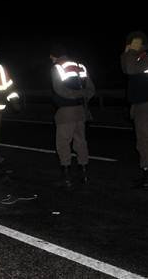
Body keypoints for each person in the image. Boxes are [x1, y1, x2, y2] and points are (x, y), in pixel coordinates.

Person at [120, 31, 148, 190]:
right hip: (140, 104)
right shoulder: (139, 56)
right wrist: (127, 53)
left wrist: (131, 51)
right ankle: (146, 172)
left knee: (147, 140)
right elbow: (125, 68)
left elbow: (130, 69)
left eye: (130, 43)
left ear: (137, 43)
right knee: (142, 141)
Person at [50, 44, 95, 188]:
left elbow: (59, 90)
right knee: (80, 142)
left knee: (63, 143)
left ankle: (66, 177)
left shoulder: (57, 67)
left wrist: (75, 96)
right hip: (81, 110)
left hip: (66, 111)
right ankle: (84, 174)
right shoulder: (80, 66)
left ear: (54, 56)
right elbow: (91, 90)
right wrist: (82, 96)